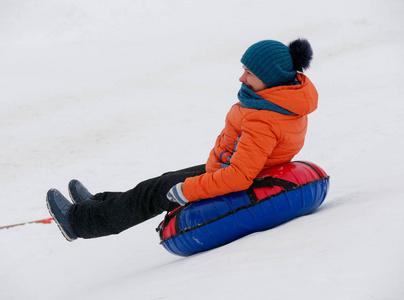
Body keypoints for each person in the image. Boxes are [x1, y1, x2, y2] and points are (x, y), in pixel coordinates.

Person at [46, 38, 318, 242]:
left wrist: (188, 191)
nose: (241, 77)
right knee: (155, 186)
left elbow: (239, 177)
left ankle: (78, 222)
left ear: (269, 80)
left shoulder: (264, 118)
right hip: (229, 168)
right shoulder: (283, 102)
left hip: (232, 178)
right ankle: (97, 204)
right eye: (243, 69)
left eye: (249, 73)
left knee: (152, 195)